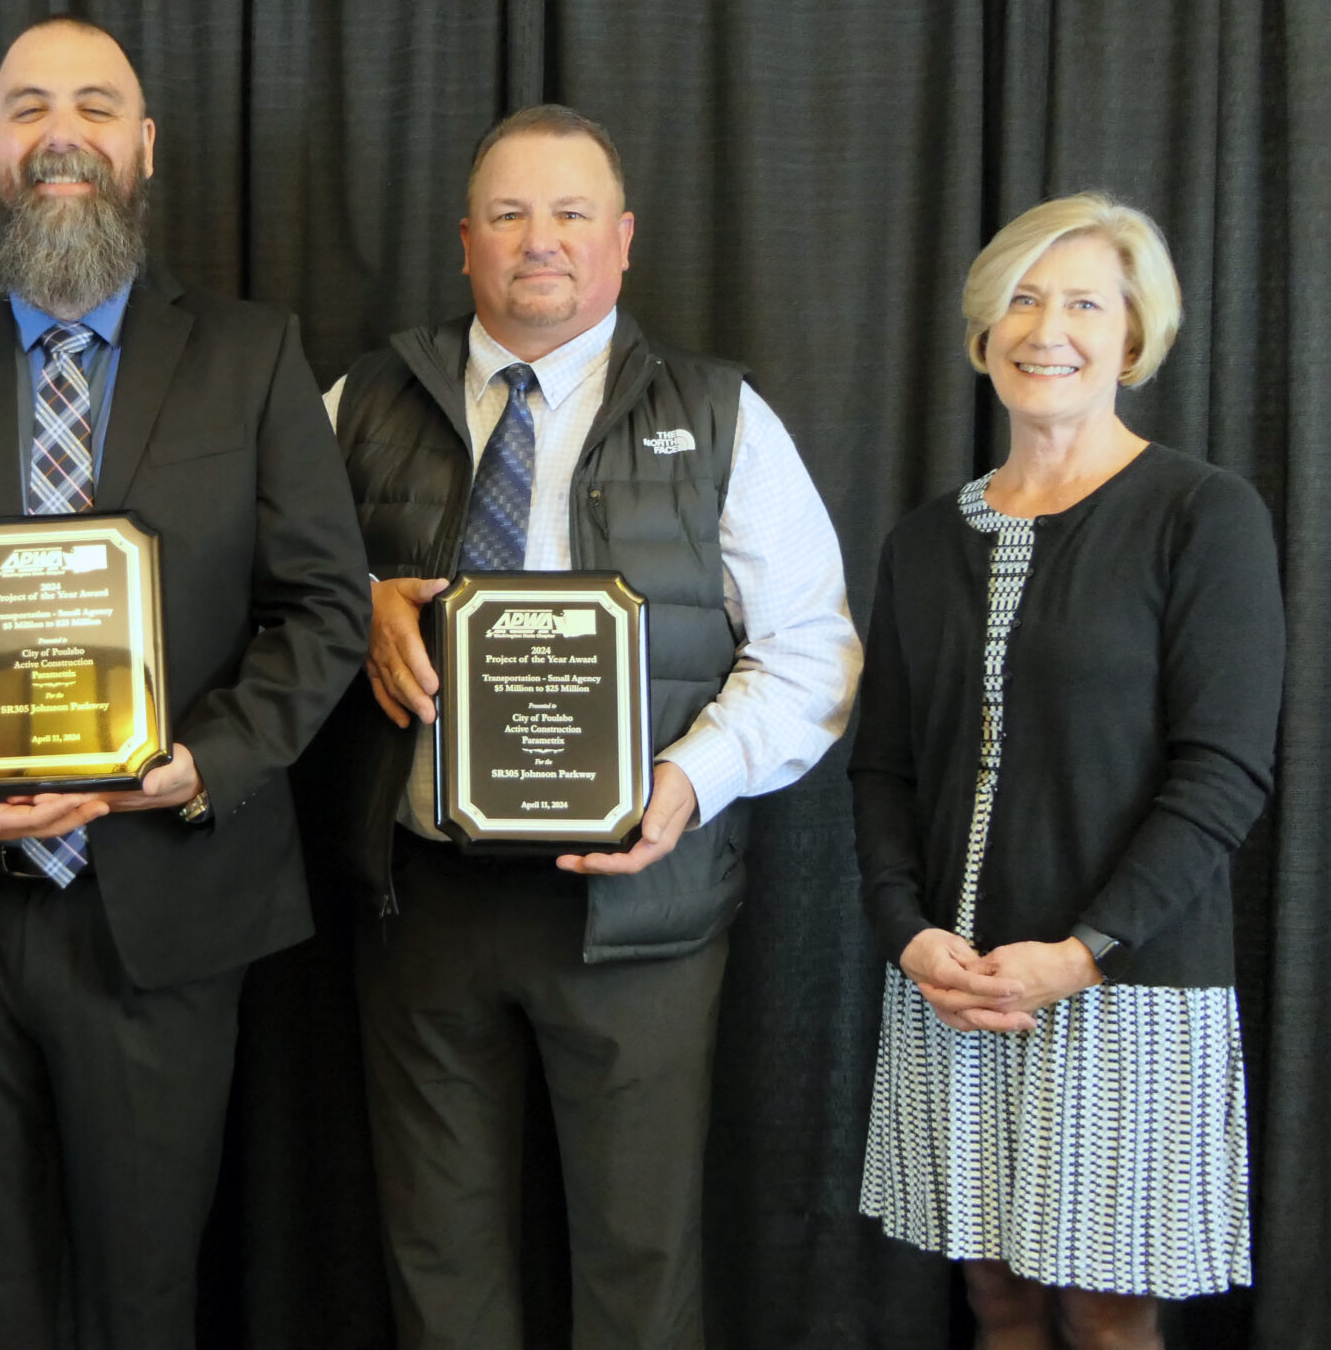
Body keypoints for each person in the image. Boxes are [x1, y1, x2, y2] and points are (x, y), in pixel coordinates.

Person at [0, 15, 370, 1349]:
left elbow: (327, 605)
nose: (64, 132)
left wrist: (210, 763)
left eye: (97, 106)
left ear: (144, 147)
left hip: (163, 909)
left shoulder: (251, 355)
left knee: (145, 1297)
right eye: (29, 107)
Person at [308, 104, 861, 1349]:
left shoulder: (723, 417)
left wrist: (685, 781)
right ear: (464, 243)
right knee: (435, 1265)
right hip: (424, 901)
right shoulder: (356, 402)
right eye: (508, 214)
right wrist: (356, 608)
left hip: (636, 908)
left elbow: (816, 650)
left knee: (636, 1265)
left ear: (621, 243)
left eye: (568, 215)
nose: (537, 241)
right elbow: (262, 597)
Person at [853, 194, 1280, 1349]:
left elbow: (1222, 774)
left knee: (1105, 1314)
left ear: (1133, 339)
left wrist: (1082, 952)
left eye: (1084, 302)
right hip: (955, 984)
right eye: (1022, 301)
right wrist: (905, 932)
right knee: (995, 1299)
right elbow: (882, 768)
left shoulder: (1202, 516)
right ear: (984, 334)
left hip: (1123, 986)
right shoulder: (923, 541)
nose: (1048, 328)